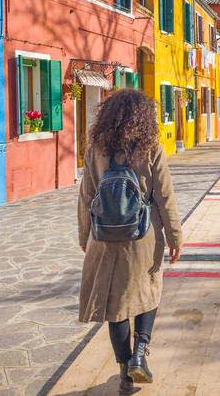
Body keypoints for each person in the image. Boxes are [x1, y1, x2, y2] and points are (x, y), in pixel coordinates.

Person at [78, 89, 184, 395]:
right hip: (143, 236)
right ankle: (140, 354)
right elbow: (164, 197)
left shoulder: (95, 149)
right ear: (143, 117)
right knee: (148, 291)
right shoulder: (151, 149)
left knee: (117, 305)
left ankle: (124, 373)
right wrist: (175, 237)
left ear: (108, 116)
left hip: (105, 238)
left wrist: (85, 235)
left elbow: (87, 195)